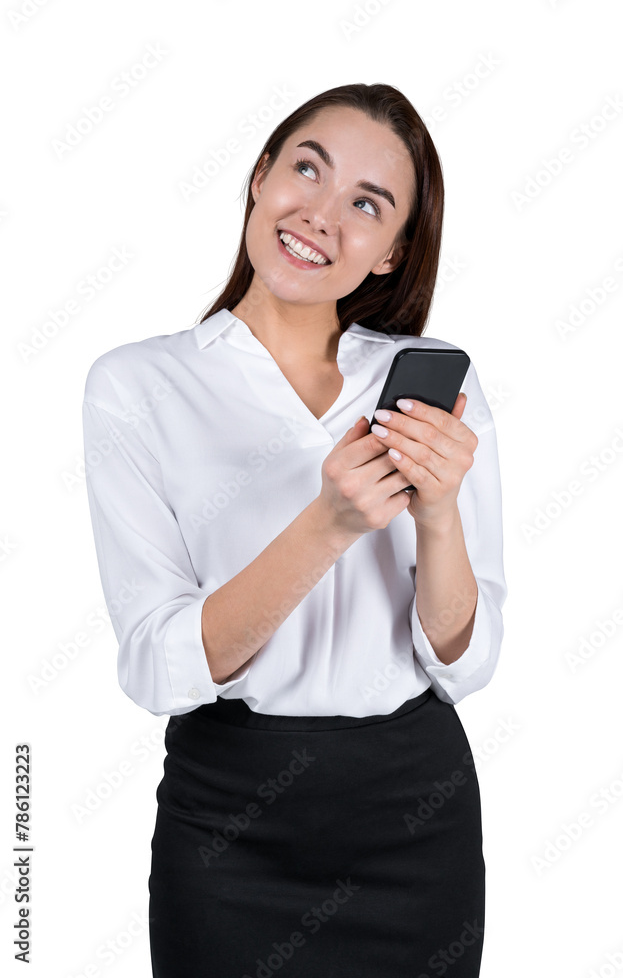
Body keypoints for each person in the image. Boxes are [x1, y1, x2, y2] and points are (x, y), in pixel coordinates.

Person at [82, 82, 507, 978]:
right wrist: (329, 524)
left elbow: (464, 660)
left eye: (367, 204)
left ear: (392, 254)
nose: (320, 214)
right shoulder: (136, 387)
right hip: (230, 821)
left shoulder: (425, 390)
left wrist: (436, 515)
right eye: (305, 169)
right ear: (258, 176)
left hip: (413, 813)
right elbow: (158, 667)